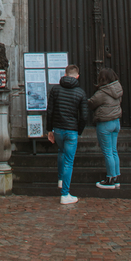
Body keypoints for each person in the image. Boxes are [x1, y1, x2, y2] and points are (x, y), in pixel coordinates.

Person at [46, 64, 88, 205]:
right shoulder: (80, 93)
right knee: (69, 162)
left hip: (58, 129)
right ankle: (65, 194)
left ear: (65, 74)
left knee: (61, 151)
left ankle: (60, 179)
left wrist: (49, 130)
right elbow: (84, 116)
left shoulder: (55, 89)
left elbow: (50, 110)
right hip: (71, 130)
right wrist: (79, 130)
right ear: (77, 76)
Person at [88, 67, 123, 189]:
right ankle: (116, 177)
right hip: (116, 122)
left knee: (108, 152)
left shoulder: (102, 92)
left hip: (105, 123)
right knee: (113, 151)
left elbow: (91, 103)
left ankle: (110, 179)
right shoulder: (118, 88)